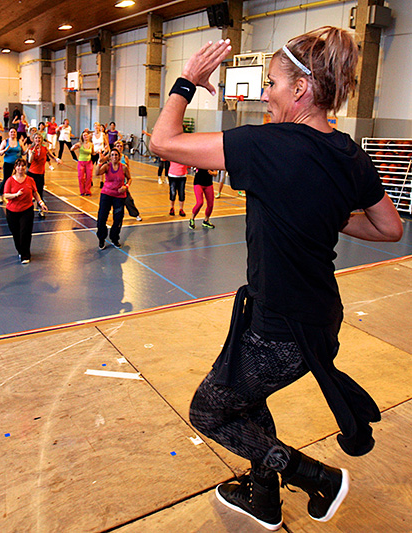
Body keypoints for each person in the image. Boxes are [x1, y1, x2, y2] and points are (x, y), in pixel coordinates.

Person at [149, 30, 403, 530]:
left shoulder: (267, 145)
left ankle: (316, 477)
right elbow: (390, 228)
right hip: (318, 316)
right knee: (248, 398)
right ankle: (263, 497)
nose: (265, 94)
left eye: (271, 84)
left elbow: (163, 142)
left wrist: (187, 81)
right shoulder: (349, 153)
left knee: (210, 413)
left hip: (281, 328)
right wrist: (325, 213)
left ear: (300, 89)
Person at [3, 157, 47, 264]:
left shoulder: (30, 180)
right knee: (16, 233)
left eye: (23, 166)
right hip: (12, 211)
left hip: (27, 210)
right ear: (15, 167)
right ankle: (20, 250)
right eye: (19, 166)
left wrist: (41, 203)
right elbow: (6, 195)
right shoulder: (10, 180)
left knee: (25, 233)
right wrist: (15, 195)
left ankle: (25, 254)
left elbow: (35, 193)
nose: (21, 168)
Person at [95, 148, 131, 249]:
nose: (114, 156)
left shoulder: (124, 168)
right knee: (102, 217)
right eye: (112, 155)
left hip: (119, 196)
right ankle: (101, 238)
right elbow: (97, 173)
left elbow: (129, 178)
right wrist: (99, 163)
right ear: (110, 157)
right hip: (106, 194)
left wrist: (126, 186)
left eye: (116, 155)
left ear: (119, 157)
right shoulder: (107, 166)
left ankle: (115, 238)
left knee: (118, 218)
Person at [26, 131, 60, 217]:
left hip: (40, 174)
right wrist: (33, 152)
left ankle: (40, 209)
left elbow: (51, 155)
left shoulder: (45, 148)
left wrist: (56, 159)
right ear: (33, 139)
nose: (38, 139)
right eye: (36, 138)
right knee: (29, 192)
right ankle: (27, 208)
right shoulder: (31, 149)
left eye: (39, 138)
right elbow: (30, 160)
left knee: (39, 192)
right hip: (32, 173)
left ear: (41, 139)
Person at [114, 140, 142, 221]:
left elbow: (128, 170)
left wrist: (127, 183)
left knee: (128, 200)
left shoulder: (125, 157)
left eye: (121, 146)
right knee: (109, 202)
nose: (119, 148)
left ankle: (136, 214)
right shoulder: (111, 156)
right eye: (118, 146)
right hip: (113, 184)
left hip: (122, 183)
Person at [0, 128, 25, 204]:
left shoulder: (19, 141)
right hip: (8, 163)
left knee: (19, 178)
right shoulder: (5, 142)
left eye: (14, 132)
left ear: (16, 133)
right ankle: (0, 195)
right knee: (6, 179)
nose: (13, 133)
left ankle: (19, 194)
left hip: (18, 164)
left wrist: (29, 150)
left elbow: (23, 152)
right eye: (11, 132)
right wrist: (5, 150)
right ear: (9, 133)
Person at [71, 130, 94, 196]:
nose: (86, 136)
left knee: (89, 177)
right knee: (81, 177)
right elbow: (71, 149)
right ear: (82, 137)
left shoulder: (91, 144)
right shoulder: (80, 144)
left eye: (87, 135)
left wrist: (100, 152)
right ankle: (82, 191)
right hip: (81, 162)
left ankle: (87, 191)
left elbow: (93, 153)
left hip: (89, 162)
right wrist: (74, 146)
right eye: (84, 135)